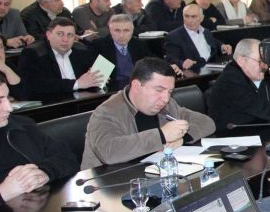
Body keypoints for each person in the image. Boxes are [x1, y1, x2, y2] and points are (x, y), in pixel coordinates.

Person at [81, 57, 215, 169]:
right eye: (159, 90)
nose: (166, 98)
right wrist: (162, 135)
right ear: (137, 86)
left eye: (169, 92)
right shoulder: (106, 112)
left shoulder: (167, 105)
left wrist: (181, 140)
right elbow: (109, 152)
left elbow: (207, 122)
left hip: (153, 175)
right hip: (107, 184)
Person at [0, 68, 78, 212]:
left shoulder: (21, 126)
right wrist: (2, 193)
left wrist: (43, 172)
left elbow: (68, 159)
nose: (9, 108)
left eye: (8, 98)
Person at [206, 38, 270, 136]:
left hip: (251, 129)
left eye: (266, 61)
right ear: (241, 60)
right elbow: (260, 108)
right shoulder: (230, 79)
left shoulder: (248, 75)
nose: (265, 66)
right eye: (260, 61)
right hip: (230, 137)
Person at [17, 18, 102, 100]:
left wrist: (98, 77)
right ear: (49, 35)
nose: (65, 39)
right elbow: (34, 84)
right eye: (60, 34)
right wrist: (77, 84)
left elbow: (91, 79)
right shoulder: (33, 53)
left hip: (82, 100)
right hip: (51, 103)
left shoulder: (81, 50)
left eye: (70, 35)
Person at [163, 4, 232, 73]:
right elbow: (170, 58)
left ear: (202, 18)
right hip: (193, 73)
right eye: (186, 16)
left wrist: (222, 46)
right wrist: (182, 63)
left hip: (213, 70)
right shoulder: (174, 36)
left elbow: (212, 41)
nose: (190, 20)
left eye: (194, 16)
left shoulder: (206, 31)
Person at [92, 14, 149, 89]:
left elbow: (150, 65)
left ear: (132, 31)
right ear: (110, 31)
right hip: (112, 89)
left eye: (126, 30)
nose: (122, 35)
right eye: (117, 30)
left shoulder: (139, 44)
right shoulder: (99, 46)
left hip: (137, 86)